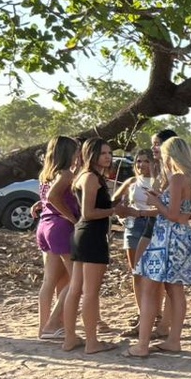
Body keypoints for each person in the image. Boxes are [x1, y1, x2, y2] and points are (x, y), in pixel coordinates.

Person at [128, 138, 191, 358]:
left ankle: (142, 345)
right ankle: (174, 340)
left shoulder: (178, 178)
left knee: (149, 288)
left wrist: (156, 203)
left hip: (167, 238)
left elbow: (170, 214)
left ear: (170, 154)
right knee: (175, 289)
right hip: (182, 237)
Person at [61, 138, 135, 355]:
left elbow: (96, 207)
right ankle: (92, 342)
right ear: (91, 154)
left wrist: (114, 205)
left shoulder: (85, 176)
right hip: (91, 235)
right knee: (90, 292)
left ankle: (69, 338)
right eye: (103, 153)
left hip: (82, 235)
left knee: (76, 289)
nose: (108, 157)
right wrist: (115, 211)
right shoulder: (92, 178)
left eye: (109, 153)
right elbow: (89, 213)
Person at [35, 135, 80, 340]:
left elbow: (47, 198)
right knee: (76, 278)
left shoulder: (46, 174)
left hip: (44, 226)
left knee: (49, 281)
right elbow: (54, 197)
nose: (78, 154)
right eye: (76, 151)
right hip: (60, 227)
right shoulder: (65, 174)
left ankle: (43, 327)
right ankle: (53, 324)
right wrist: (72, 218)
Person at [113, 148, 157, 331]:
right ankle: (142, 314)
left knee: (154, 274)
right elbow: (114, 201)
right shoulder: (131, 182)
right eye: (138, 161)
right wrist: (121, 216)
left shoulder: (159, 182)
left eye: (146, 161)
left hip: (153, 226)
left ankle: (156, 314)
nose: (141, 165)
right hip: (133, 226)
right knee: (136, 273)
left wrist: (140, 212)